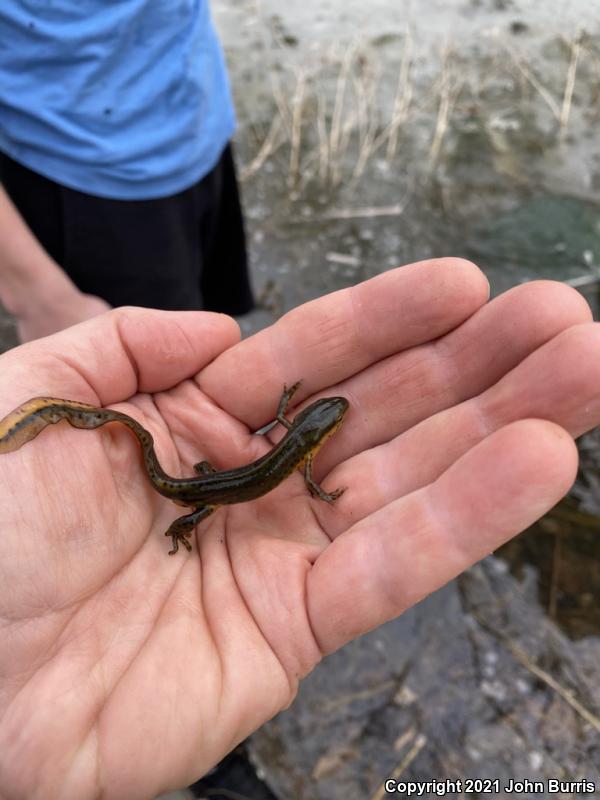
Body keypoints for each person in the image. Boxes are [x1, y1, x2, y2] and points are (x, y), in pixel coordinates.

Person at [0, 258, 596, 799]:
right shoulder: (302, 456)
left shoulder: (292, 441)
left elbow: (287, 444)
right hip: (195, 494)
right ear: (318, 435)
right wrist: (299, 494)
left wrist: (284, 411)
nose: (333, 421)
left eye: (321, 418)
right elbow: (309, 484)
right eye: (327, 420)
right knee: (193, 503)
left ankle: (179, 515)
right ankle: (182, 529)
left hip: (204, 483)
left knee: (196, 486)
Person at [0, 1, 253, 343]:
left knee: (213, 328)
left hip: (197, 116)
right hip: (79, 177)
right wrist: (36, 295)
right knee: (164, 360)